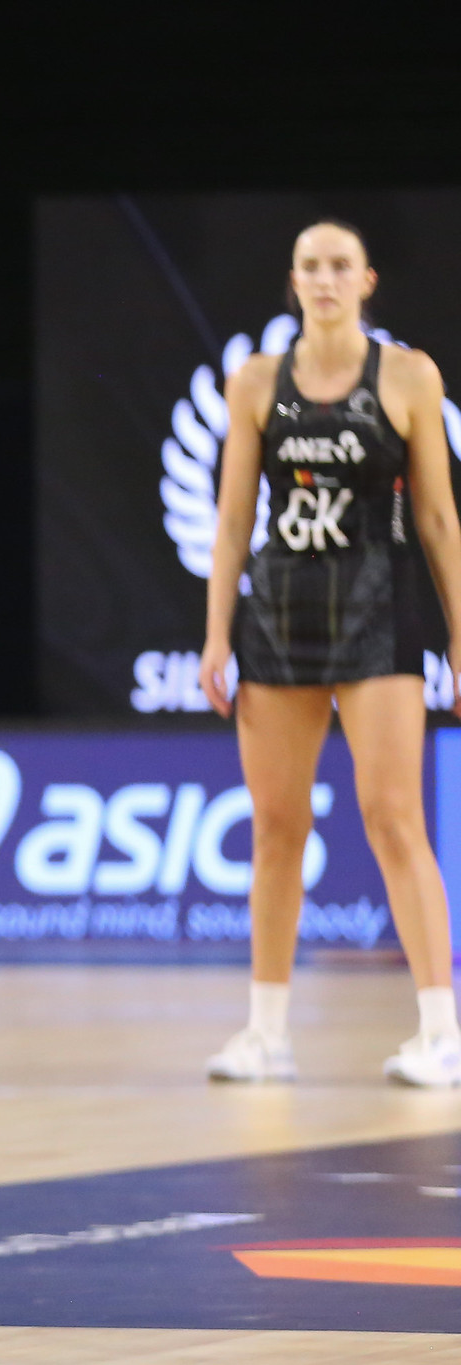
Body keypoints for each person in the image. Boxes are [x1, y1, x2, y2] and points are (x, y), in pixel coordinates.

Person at [201, 219, 461, 1087]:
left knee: (394, 817)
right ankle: (265, 1033)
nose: (324, 278)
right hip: (276, 620)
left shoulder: (410, 376)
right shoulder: (254, 383)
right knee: (277, 827)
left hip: (379, 621)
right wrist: (212, 635)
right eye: (309, 265)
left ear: (367, 280)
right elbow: (234, 520)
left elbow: (436, 519)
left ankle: (442, 1029)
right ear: (293, 280)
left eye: (339, 265)